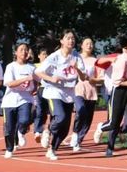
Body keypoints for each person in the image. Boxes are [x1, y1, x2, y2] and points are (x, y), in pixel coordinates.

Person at [35, 30, 86, 161]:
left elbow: (84, 77)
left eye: (73, 38)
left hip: (69, 93)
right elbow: (38, 72)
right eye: (68, 38)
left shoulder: (77, 57)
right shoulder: (54, 57)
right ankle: (47, 130)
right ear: (62, 41)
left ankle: (52, 149)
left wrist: (78, 68)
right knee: (60, 116)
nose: (71, 40)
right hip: (54, 91)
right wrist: (51, 79)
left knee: (65, 128)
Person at [95, 35, 127, 158]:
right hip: (119, 91)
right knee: (114, 124)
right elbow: (117, 81)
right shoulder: (122, 59)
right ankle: (101, 127)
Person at [1, 43, 36, 159]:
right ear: (16, 53)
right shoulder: (11, 67)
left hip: (25, 99)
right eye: (21, 50)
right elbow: (9, 84)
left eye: (26, 50)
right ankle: (9, 148)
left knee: (25, 119)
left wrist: (35, 88)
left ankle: (21, 132)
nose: (24, 52)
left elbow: (37, 82)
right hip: (9, 101)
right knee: (9, 128)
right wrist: (25, 78)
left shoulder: (32, 68)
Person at [70, 38, 102, 152]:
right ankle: (75, 133)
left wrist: (93, 80)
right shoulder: (76, 58)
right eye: (87, 43)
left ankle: (78, 141)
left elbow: (101, 79)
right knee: (81, 111)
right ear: (82, 46)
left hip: (91, 92)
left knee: (88, 120)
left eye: (91, 43)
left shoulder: (96, 61)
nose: (89, 45)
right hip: (79, 89)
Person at [33, 47, 51, 145]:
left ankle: (48, 131)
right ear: (39, 56)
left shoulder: (51, 65)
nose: (45, 56)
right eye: (43, 54)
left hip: (50, 90)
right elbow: (32, 79)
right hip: (40, 90)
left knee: (52, 112)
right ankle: (38, 131)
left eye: (47, 54)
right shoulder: (35, 66)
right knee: (39, 112)